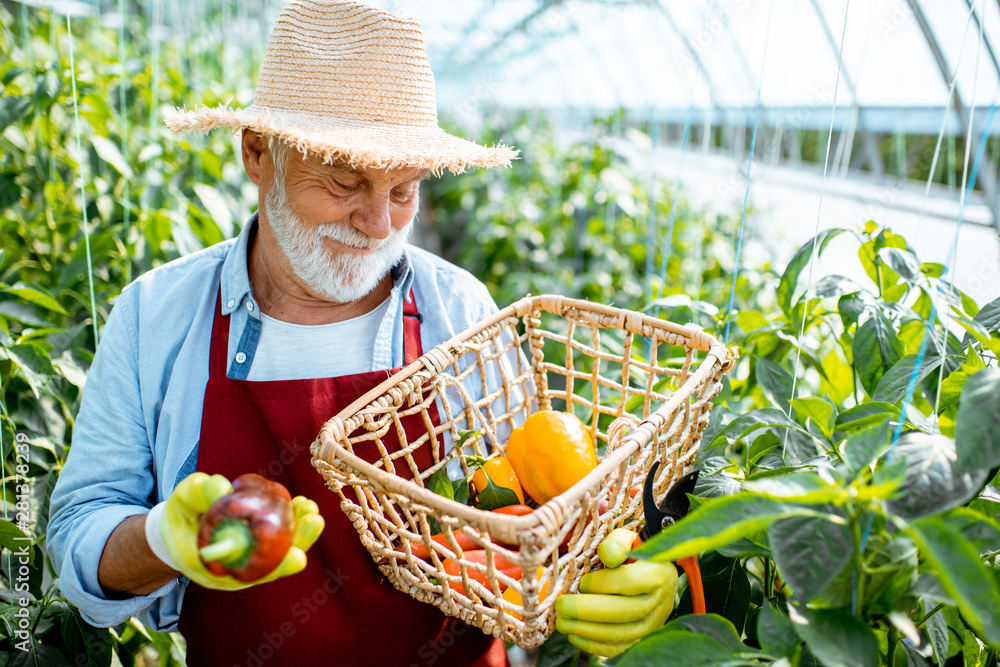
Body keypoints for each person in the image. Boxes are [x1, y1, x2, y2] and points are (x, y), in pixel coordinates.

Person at [47, 1, 674, 665]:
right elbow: (77, 530)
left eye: (404, 189)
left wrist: (617, 575)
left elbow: (538, 509)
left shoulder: (456, 310)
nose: (379, 223)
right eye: (345, 180)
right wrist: (163, 542)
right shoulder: (159, 315)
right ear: (258, 154)